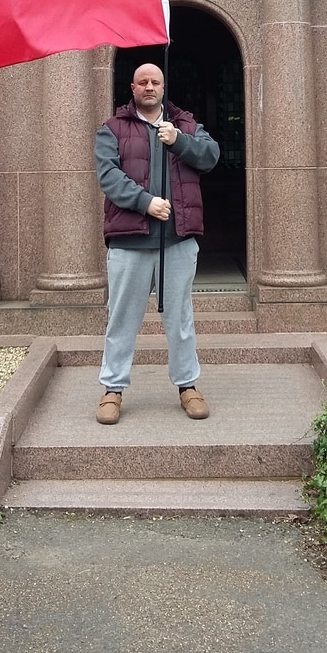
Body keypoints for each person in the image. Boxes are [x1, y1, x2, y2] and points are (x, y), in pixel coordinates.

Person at [94, 62, 220, 425]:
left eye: (156, 81)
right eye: (143, 82)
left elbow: (210, 157)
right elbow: (109, 176)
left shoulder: (185, 125)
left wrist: (178, 140)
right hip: (129, 243)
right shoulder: (112, 129)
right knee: (122, 319)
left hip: (178, 241)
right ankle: (113, 389)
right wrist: (145, 201)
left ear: (164, 87)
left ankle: (188, 386)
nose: (149, 86)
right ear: (132, 88)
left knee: (180, 319)